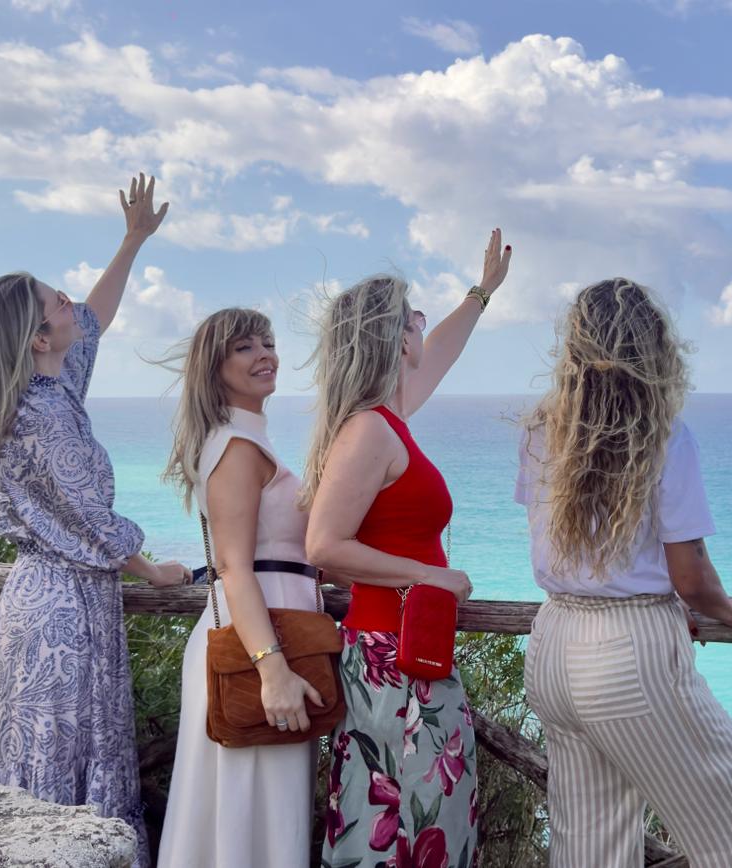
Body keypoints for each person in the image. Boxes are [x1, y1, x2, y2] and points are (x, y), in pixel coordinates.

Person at [516, 278, 732, 867]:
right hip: (628, 652)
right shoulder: (661, 434)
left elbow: (561, 541)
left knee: (589, 852)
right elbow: (689, 574)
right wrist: (726, 609)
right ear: (654, 348)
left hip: (553, 643)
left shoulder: (542, 429)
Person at [0, 174, 190, 868]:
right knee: (66, 766)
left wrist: (133, 240)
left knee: (34, 760)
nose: (71, 302)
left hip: (36, 598)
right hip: (65, 613)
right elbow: (92, 521)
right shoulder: (47, 414)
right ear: (38, 337)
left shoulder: (39, 389)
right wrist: (153, 570)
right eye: (56, 301)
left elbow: (96, 316)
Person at [303, 229, 512, 868]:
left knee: (423, 822)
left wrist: (482, 293)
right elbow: (324, 544)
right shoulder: (369, 428)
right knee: (408, 826)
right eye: (414, 316)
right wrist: (429, 575)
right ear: (395, 338)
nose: (423, 324)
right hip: (391, 662)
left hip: (407, 654)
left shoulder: (387, 418)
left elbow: (439, 353)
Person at [155, 308, 323, 868]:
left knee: (257, 816)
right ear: (215, 366)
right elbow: (233, 567)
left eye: (268, 343)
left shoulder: (246, 437)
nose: (265, 355)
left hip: (270, 635)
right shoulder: (236, 445)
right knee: (250, 816)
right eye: (245, 347)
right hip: (258, 647)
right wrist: (272, 671)